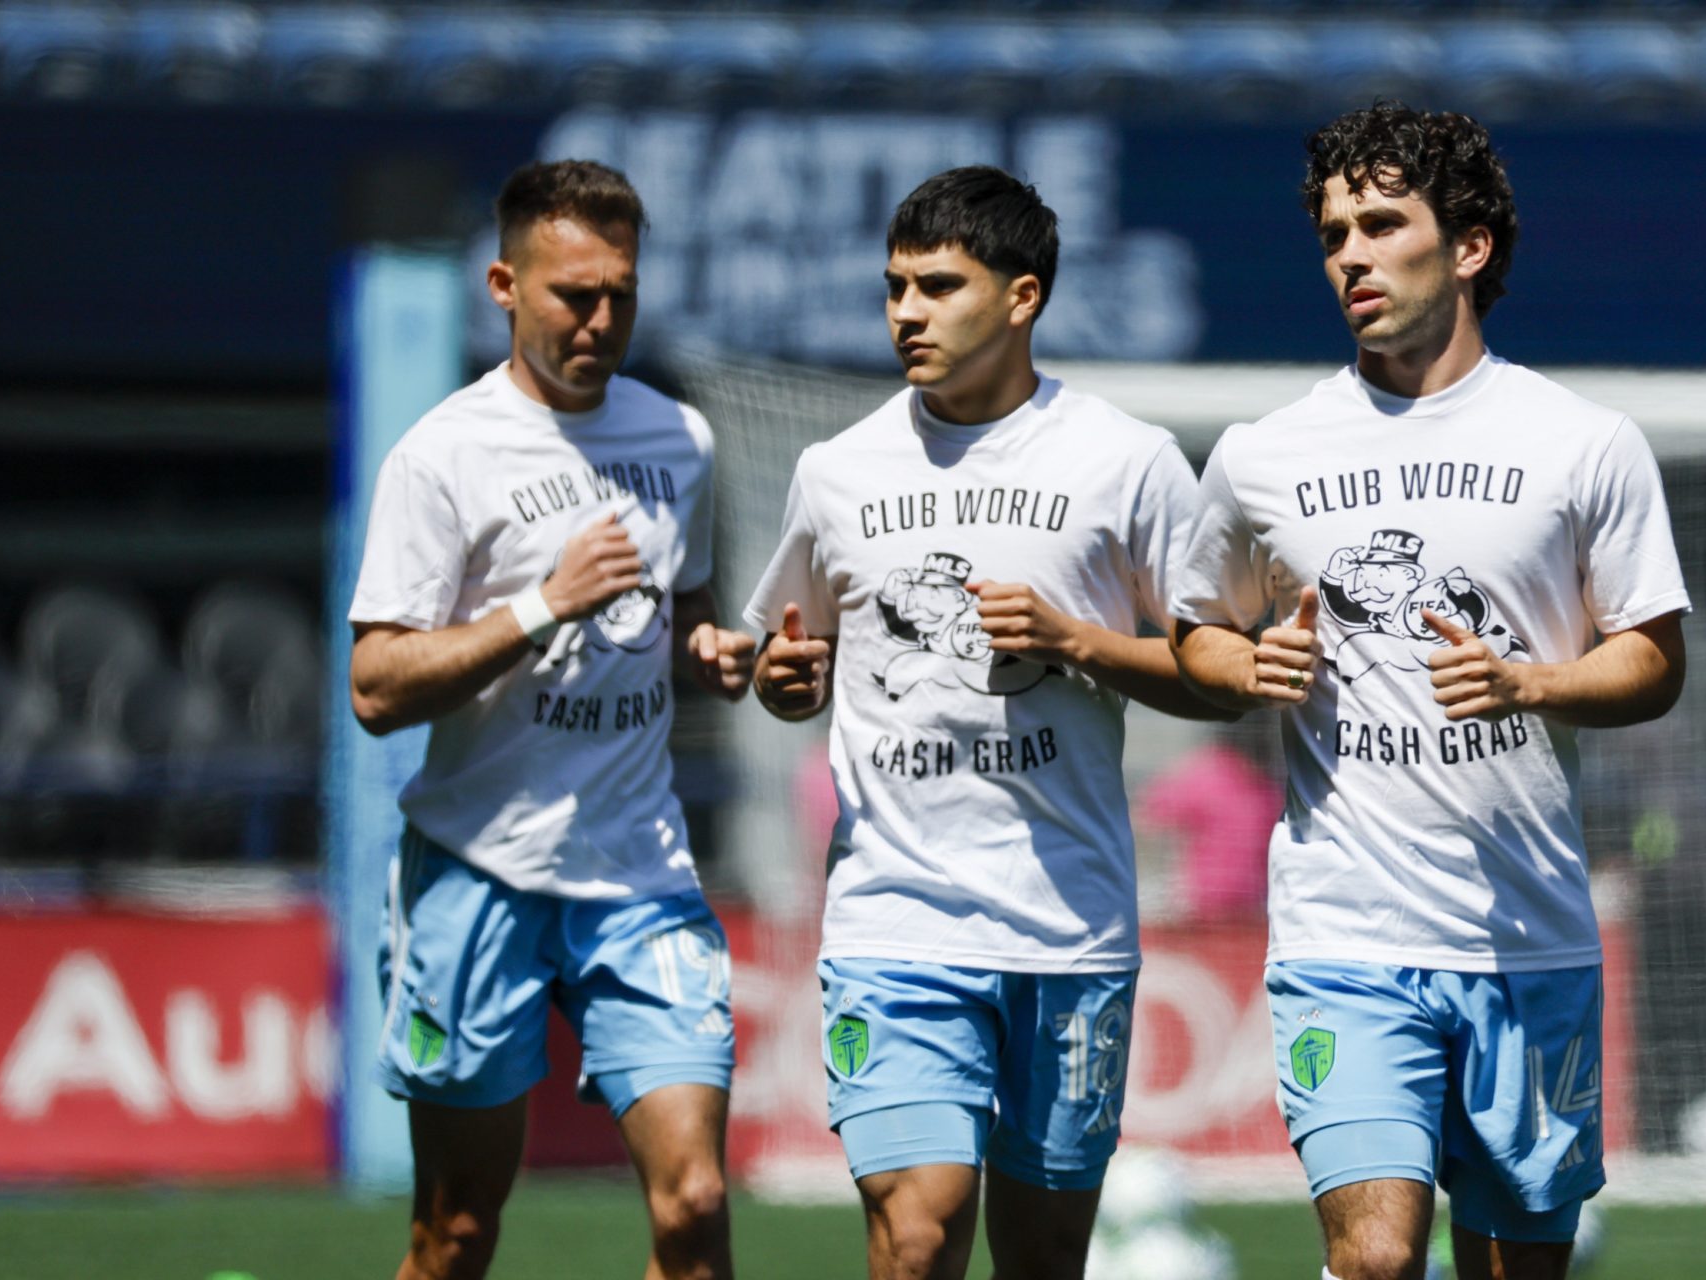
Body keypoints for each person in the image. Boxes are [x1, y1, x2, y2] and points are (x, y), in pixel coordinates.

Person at [1170, 104, 1689, 1280]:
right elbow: (1194, 631)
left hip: (1527, 939)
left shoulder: (1583, 443)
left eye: (1383, 222)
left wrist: (1534, 680)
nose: (1350, 252)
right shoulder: (1265, 452)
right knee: (1377, 1259)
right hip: (1344, 937)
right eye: (1332, 231)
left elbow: (1655, 660)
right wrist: (1247, 664)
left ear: (1469, 247)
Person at [744, 165, 1230, 1280]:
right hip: (895, 918)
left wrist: (1078, 642)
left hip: (1068, 923)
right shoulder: (837, 471)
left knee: (1046, 1254)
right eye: (894, 287)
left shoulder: (1127, 460)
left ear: (1022, 297)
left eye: (937, 286)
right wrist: (782, 679)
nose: (905, 312)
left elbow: (1227, 673)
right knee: (916, 1234)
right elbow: (792, 657)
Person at [347, 159, 756, 1280]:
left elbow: (683, 614)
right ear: (504, 284)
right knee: (457, 1230)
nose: (602, 317)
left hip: (640, 873)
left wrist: (711, 651)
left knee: (696, 1203)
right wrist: (539, 603)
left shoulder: (680, 438)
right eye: (574, 294)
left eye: (621, 290)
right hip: (480, 870)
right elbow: (376, 687)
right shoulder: (442, 455)